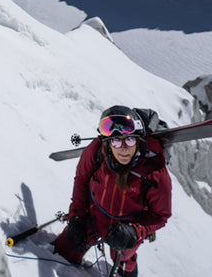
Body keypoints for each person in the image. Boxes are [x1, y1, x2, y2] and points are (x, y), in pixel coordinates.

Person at [52, 106, 172, 276]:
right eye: (116, 141)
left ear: (139, 140)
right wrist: (77, 217)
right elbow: (81, 181)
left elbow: (161, 215)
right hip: (94, 216)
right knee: (63, 250)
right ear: (108, 143)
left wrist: (135, 231)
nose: (123, 148)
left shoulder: (155, 171)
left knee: (123, 258)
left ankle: (128, 269)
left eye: (129, 140)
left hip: (127, 227)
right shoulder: (96, 151)